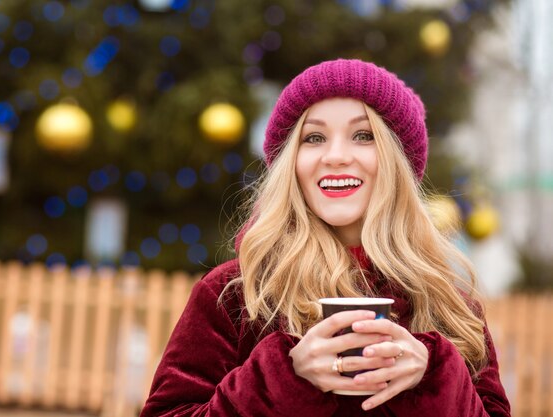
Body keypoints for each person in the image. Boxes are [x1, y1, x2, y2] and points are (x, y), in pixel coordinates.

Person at [139, 59, 511, 416]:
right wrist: (285, 377)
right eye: (314, 137)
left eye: (363, 136)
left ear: (397, 160)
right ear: (291, 163)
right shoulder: (236, 295)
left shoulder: (451, 306)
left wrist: (433, 376)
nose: (335, 156)